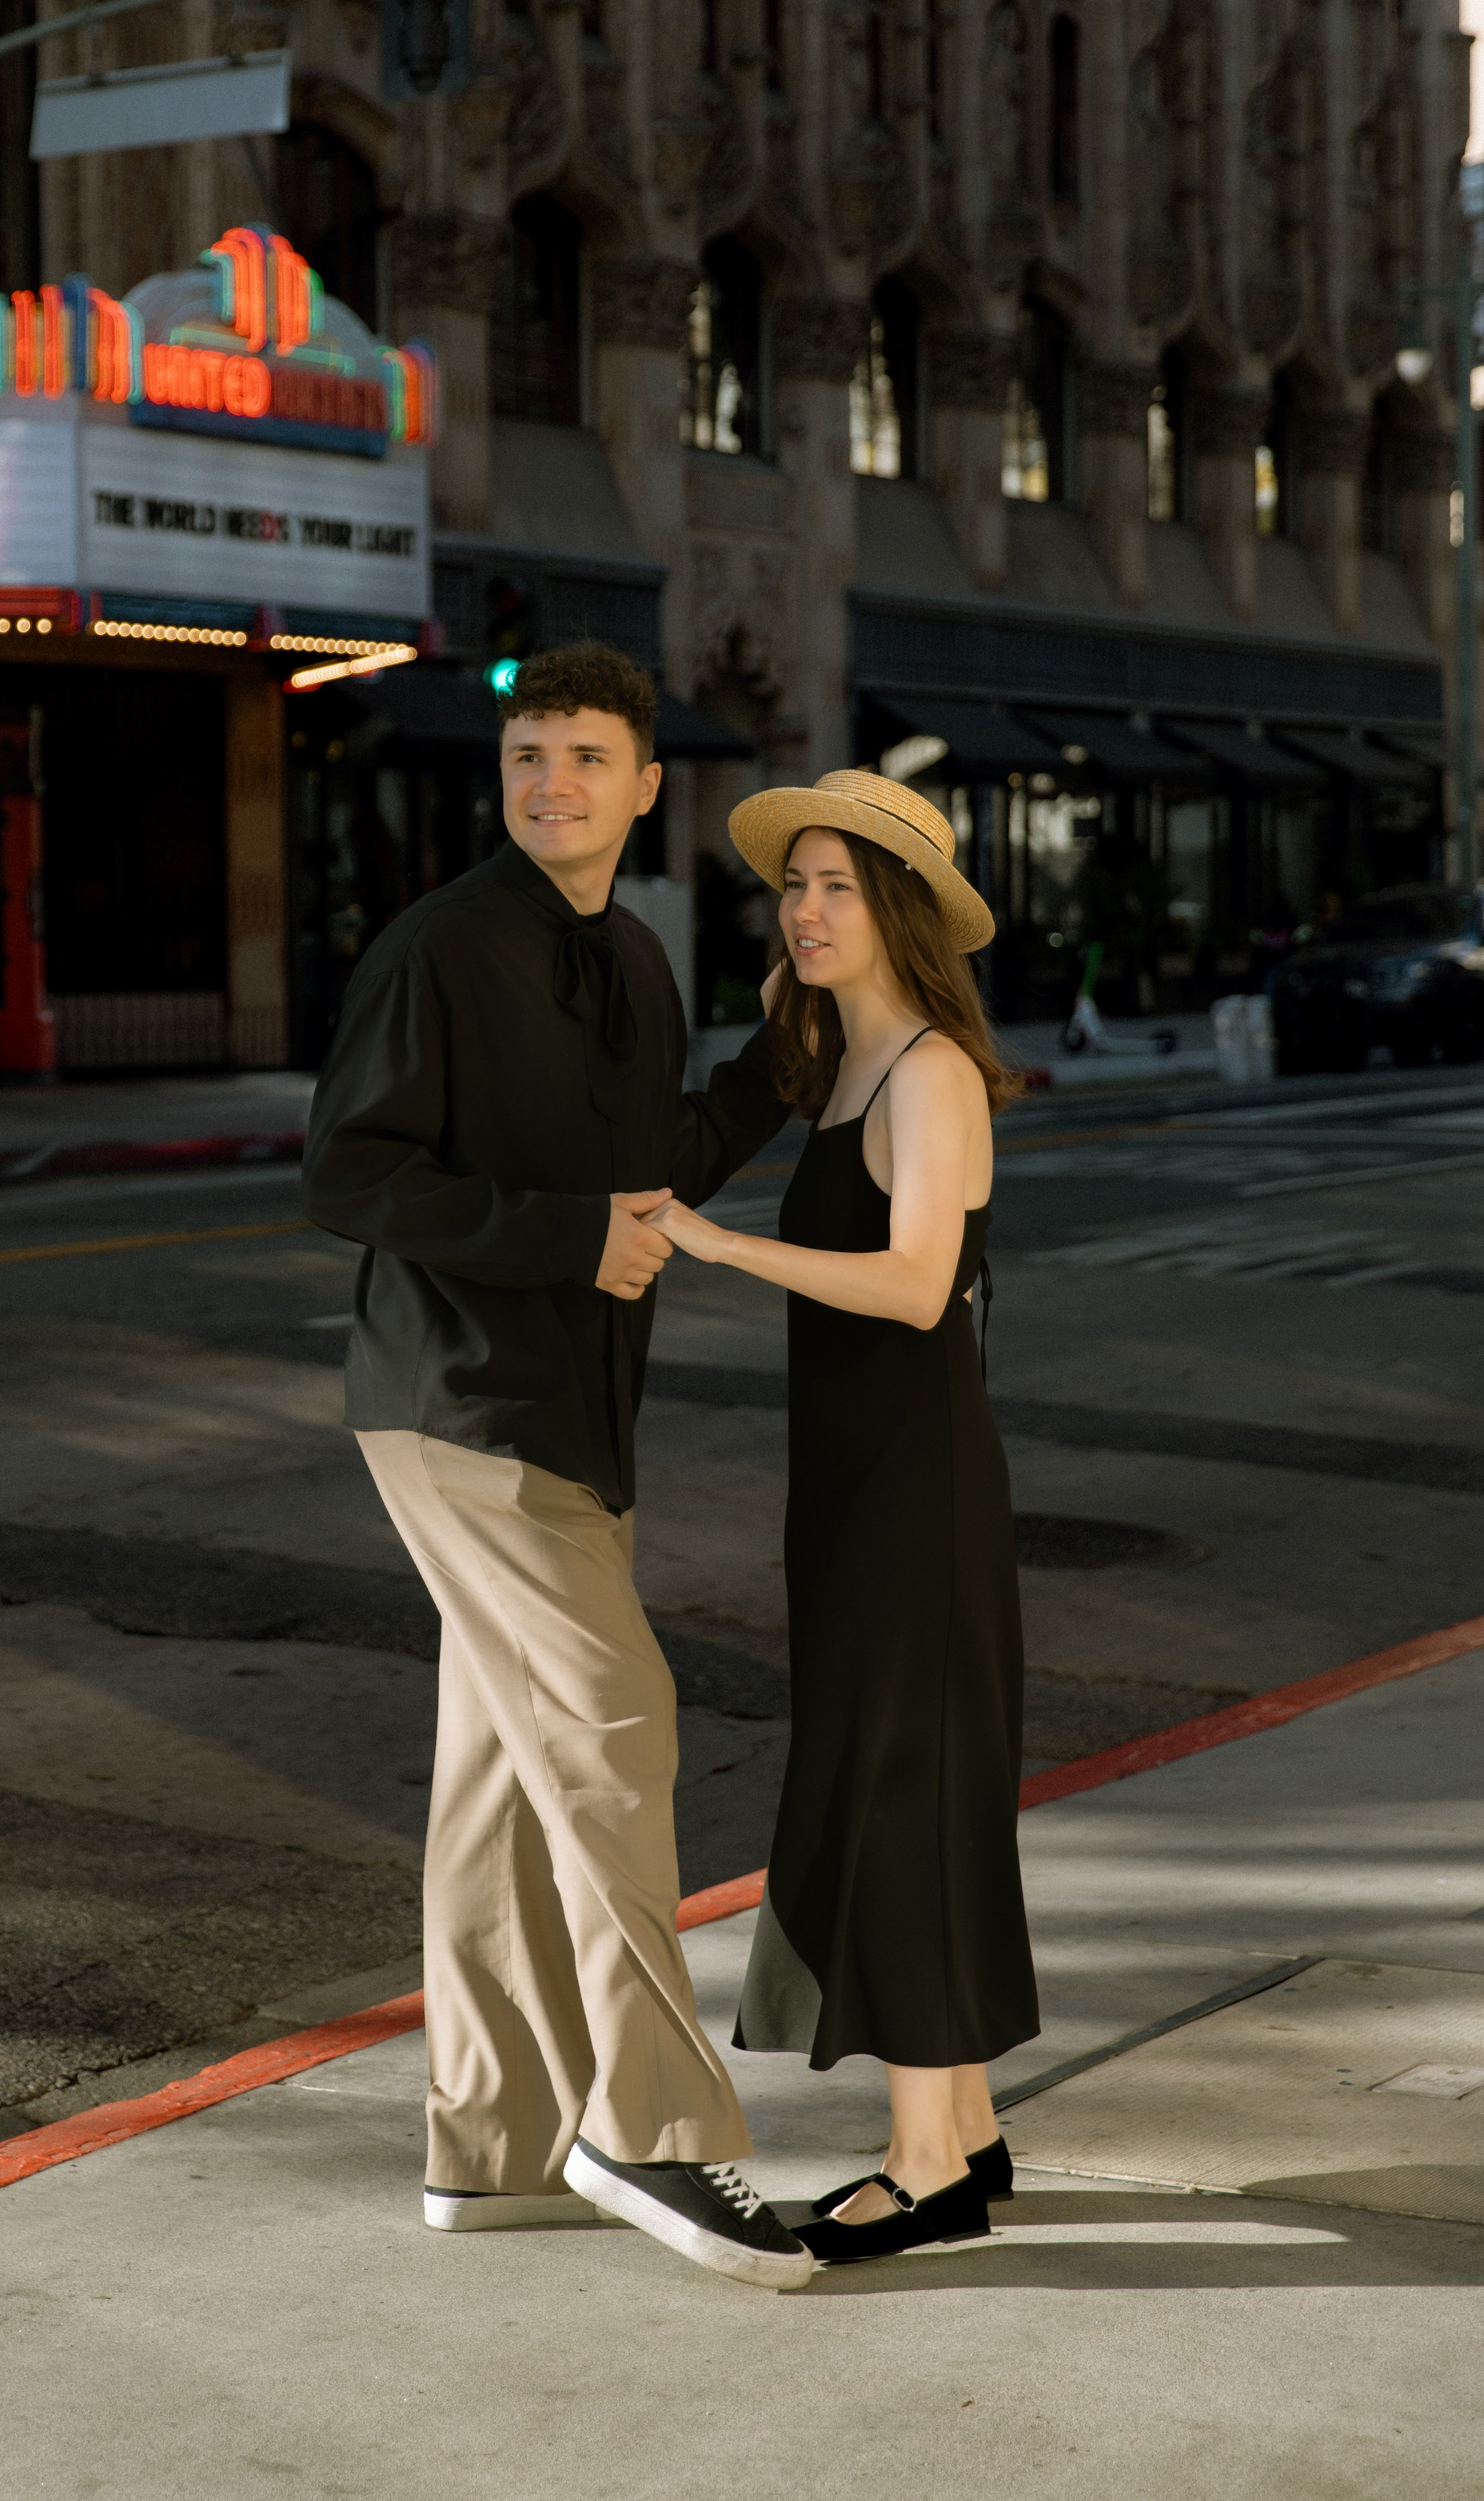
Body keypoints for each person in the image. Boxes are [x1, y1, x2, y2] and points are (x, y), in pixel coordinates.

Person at [301, 641, 811, 2292]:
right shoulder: (437, 948)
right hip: (464, 1403)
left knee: (504, 1783)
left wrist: (773, 1065)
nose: (552, 783)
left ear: (646, 786)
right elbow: (348, 1171)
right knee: (611, 1724)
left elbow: (653, 1165)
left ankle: (495, 2144)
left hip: (579, 1413)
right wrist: (563, 1236)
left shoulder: (637, 958)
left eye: (586, 756)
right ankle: (645, 2125)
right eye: (528, 755)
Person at [655, 770, 1039, 2268]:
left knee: (900, 1798)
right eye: (794, 884)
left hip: (916, 1495)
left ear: (903, 913)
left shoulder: (930, 1072)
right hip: (856, 1485)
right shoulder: (845, 1058)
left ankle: (926, 2165)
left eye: (837, 887)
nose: (803, 909)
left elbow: (918, 1284)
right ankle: (970, 2128)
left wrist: (718, 1246)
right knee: (907, 1788)